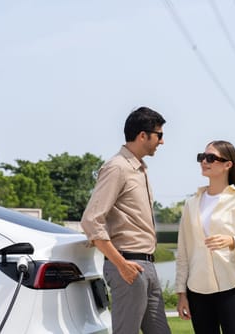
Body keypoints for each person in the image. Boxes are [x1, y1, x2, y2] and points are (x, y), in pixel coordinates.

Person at [80, 106, 171, 334]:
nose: (162, 141)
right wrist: (122, 265)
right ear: (143, 135)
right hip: (128, 265)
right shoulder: (117, 168)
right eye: (159, 135)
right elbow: (91, 220)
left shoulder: (140, 170)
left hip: (146, 265)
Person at [175, 140, 235, 334]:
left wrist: (232, 241)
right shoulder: (191, 204)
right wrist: (181, 294)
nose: (204, 161)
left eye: (211, 158)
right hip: (196, 290)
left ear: (228, 164)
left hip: (231, 286)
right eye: (202, 157)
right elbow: (183, 253)